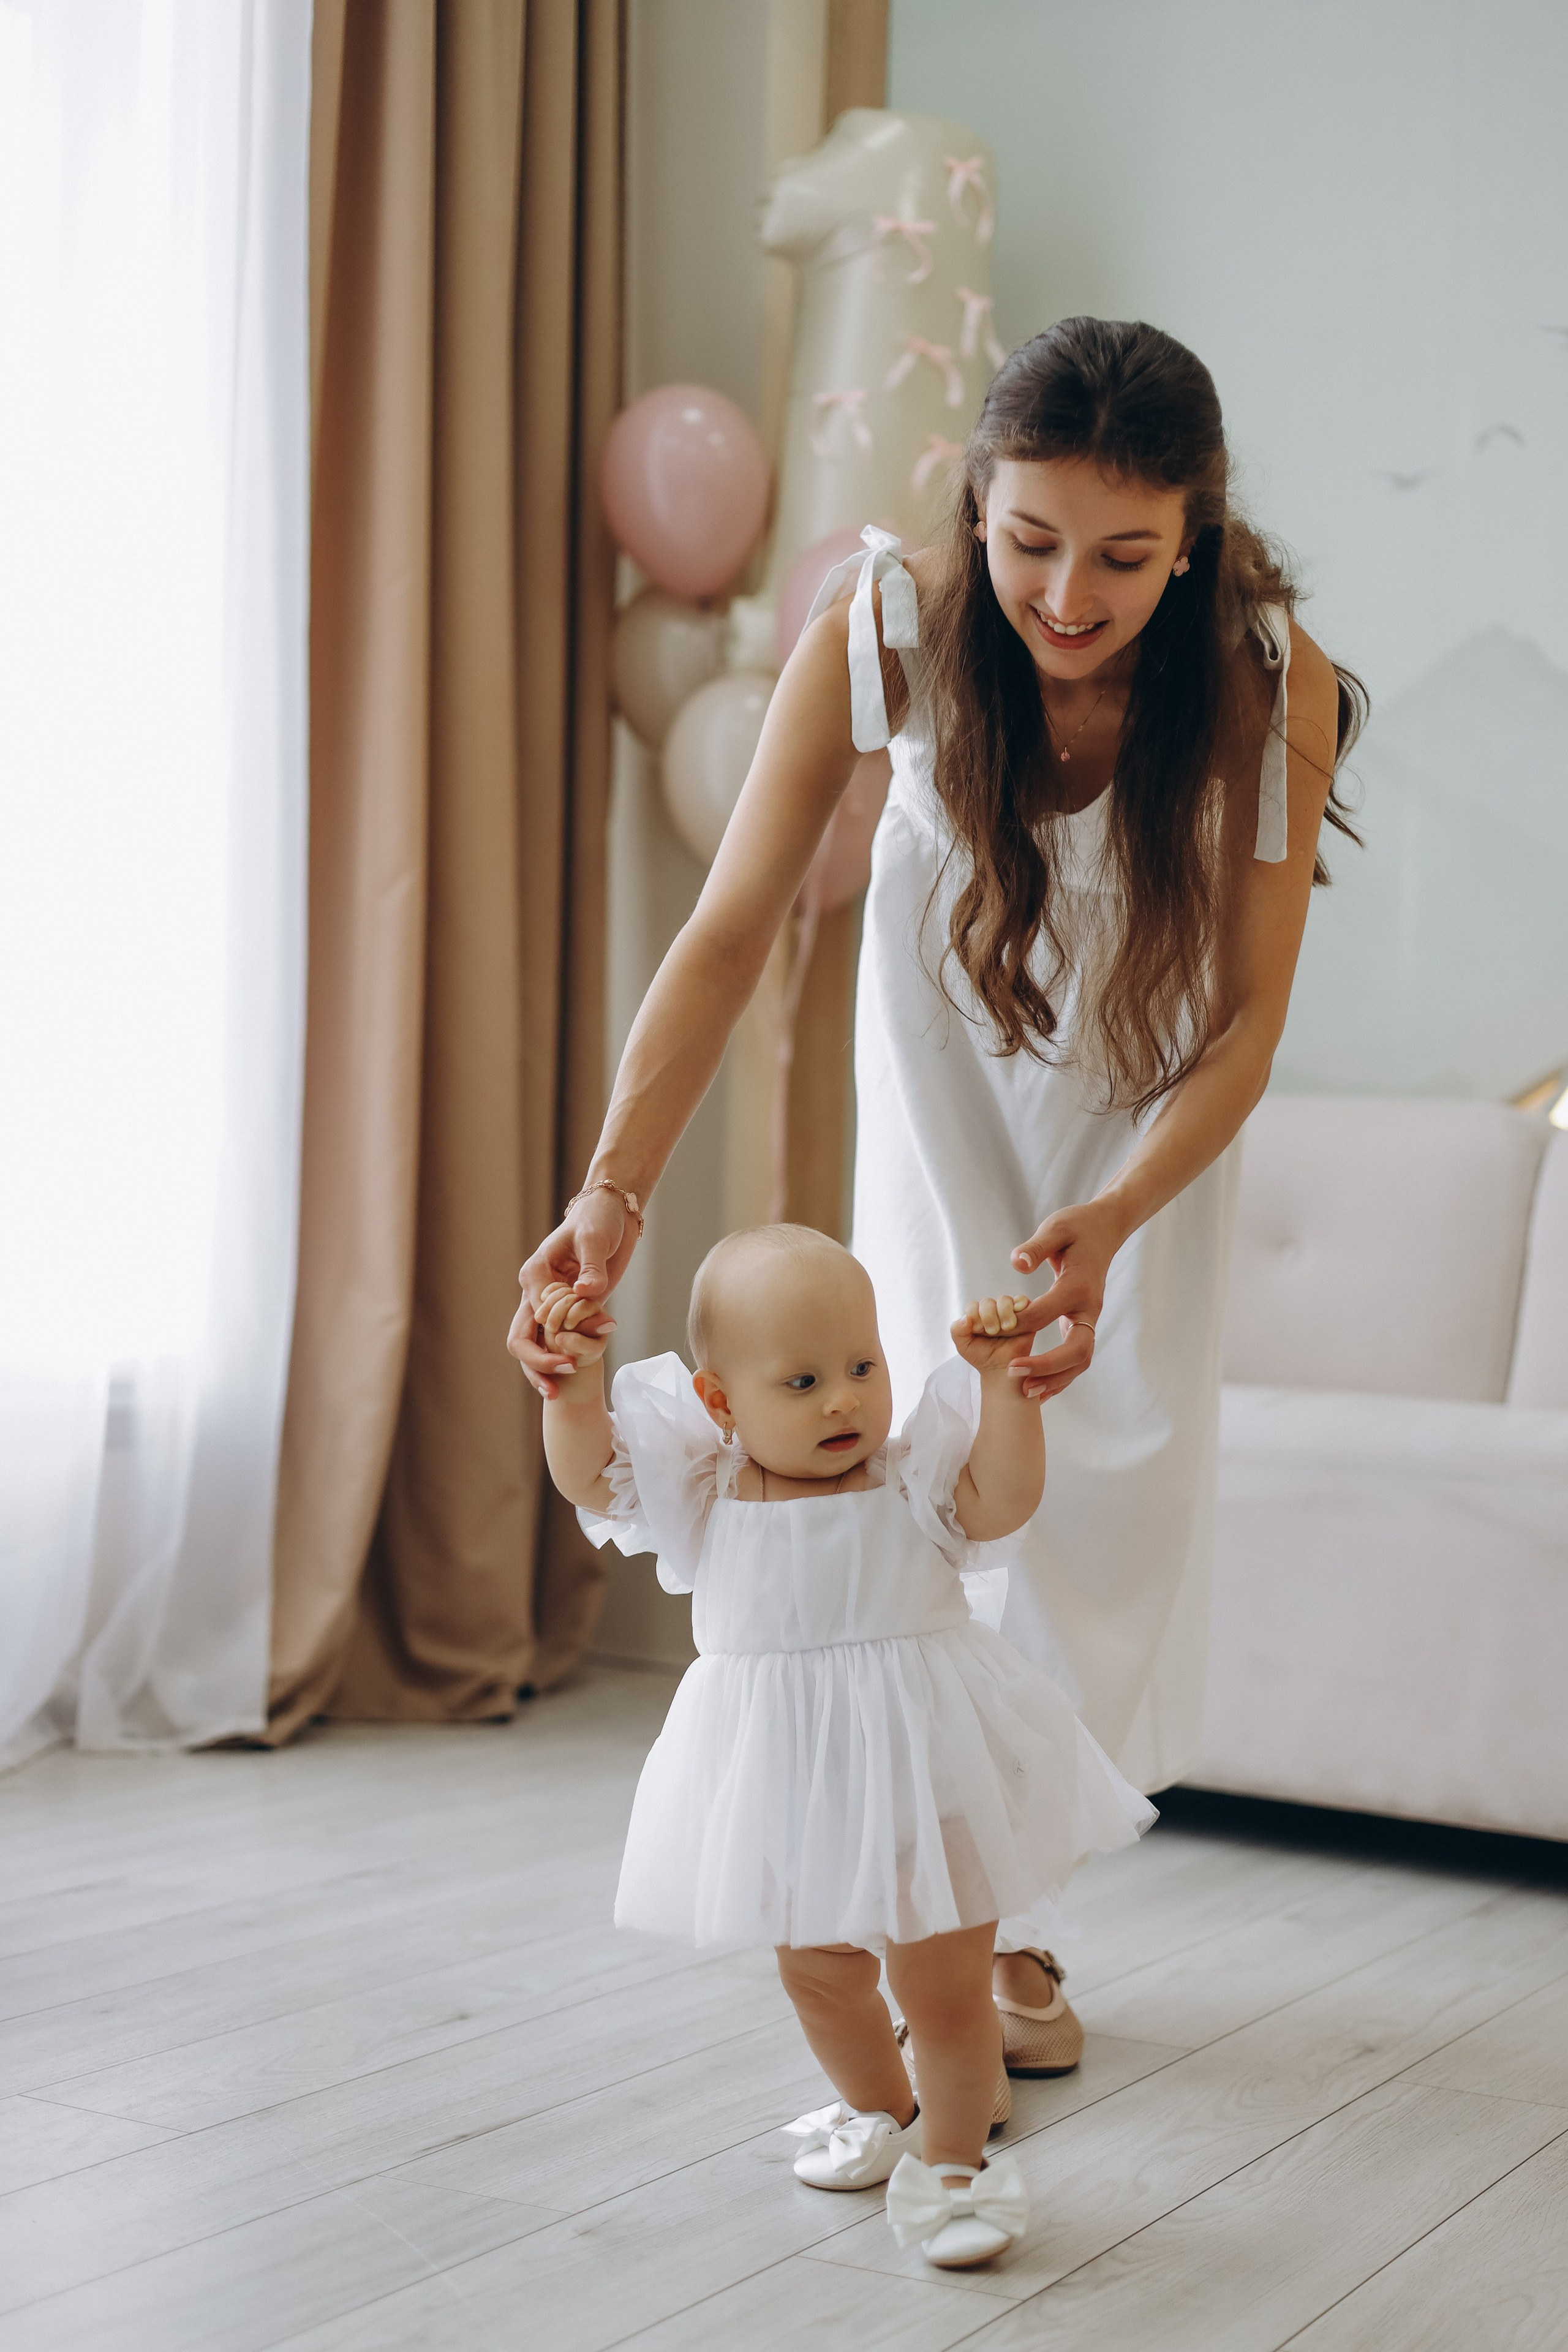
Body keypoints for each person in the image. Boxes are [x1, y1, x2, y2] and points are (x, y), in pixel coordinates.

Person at [510, 317, 1364, 2069]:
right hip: (936, 1127)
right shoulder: (885, 630)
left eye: (1126, 556)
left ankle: (1012, 1924)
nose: (1069, 592)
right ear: (975, 501)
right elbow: (731, 928)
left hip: (1134, 1159)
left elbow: (1254, 1021)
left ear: (1194, 533)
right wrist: (612, 1190)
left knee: (1101, 1528)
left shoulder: (1276, 685)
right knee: (927, 1515)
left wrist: (1117, 1225)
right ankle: (953, 1919)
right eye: (1031, 537)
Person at [538, 1223, 1153, 2269]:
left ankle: (955, 2161)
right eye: (805, 1380)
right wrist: (570, 1387)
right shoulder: (704, 1493)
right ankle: (881, 2108)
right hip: (790, 1786)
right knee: (818, 1973)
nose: (844, 1401)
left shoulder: (909, 1479)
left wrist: (1004, 1392)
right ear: (723, 1404)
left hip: (926, 1775)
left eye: (863, 1367)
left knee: (941, 1986)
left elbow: (1004, 1501)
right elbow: (590, 1481)